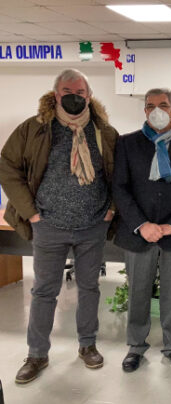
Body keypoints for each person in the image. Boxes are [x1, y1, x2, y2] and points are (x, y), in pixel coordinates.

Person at [0, 69, 118, 384]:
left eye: (80, 92)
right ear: (56, 94)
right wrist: (31, 213)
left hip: (92, 226)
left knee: (90, 288)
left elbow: (121, 174)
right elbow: (7, 166)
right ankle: (37, 354)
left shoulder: (104, 132)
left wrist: (111, 210)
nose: (74, 97)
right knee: (44, 291)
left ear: (89, 96)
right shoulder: (34, 129)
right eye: (67, 91)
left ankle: (87, 345)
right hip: (48, 225)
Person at [112, 88, 171, 372]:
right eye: (150, 105)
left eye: (163, 105)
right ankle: (136, 346)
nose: (157, 110)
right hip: (139, 233)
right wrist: (142, 225)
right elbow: (120, 187)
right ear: (144, 110)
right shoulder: (127, 143)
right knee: (138, 292)